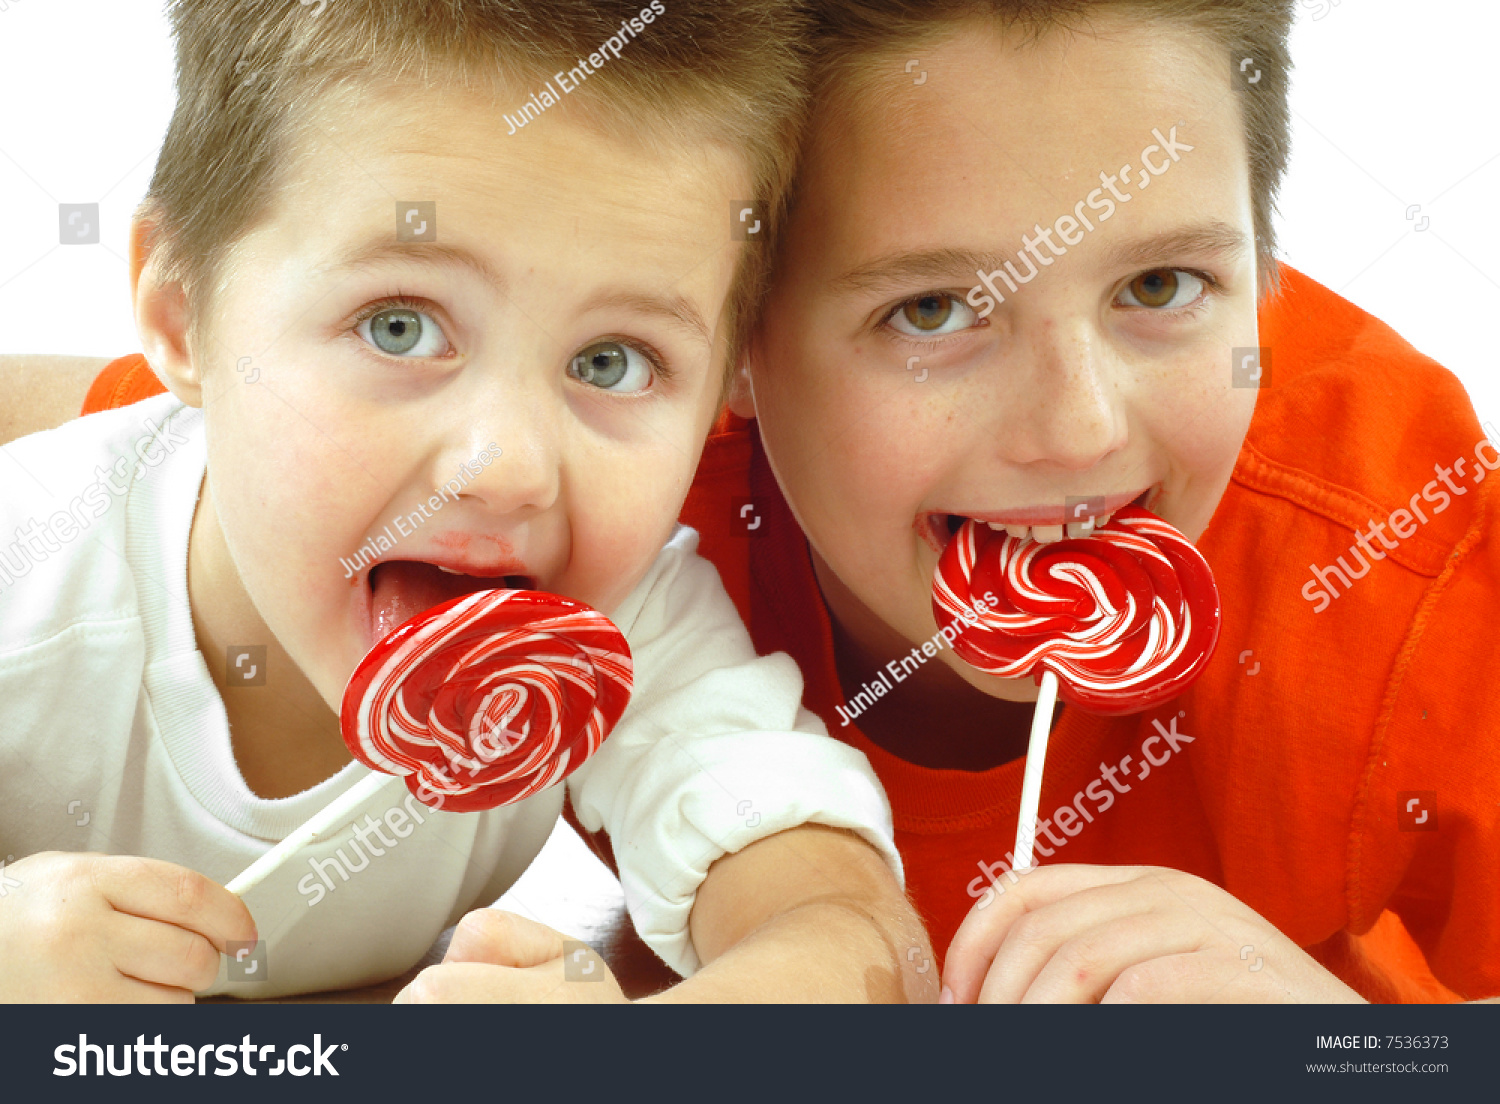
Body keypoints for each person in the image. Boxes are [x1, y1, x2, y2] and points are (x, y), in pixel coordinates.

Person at [0, 0, 933, 1003]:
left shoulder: (620, 630)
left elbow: (854, 941)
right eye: (399, 326)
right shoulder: (32, 576)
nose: (507, 465)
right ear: (183, 317)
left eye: (610, 361)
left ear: (717, 400)